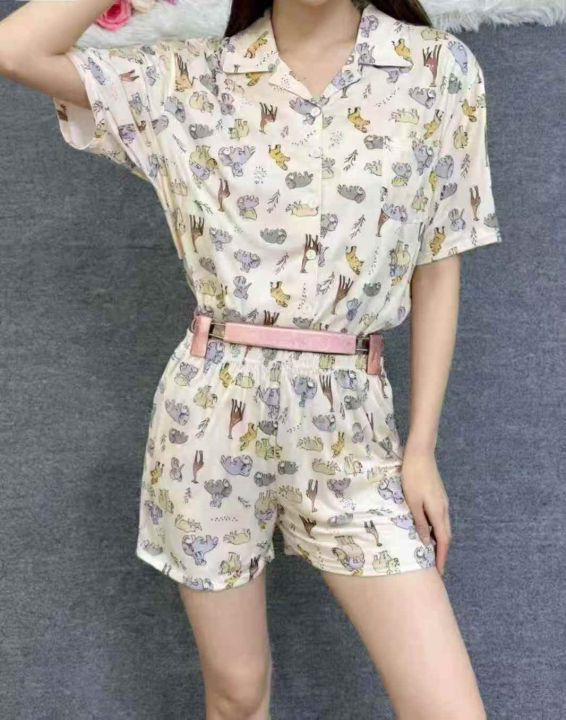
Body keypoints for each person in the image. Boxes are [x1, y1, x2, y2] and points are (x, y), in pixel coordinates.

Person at [0, 0, 502, 717]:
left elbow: (439, 260)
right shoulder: (189, 77)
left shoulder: (437, 69)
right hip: (208, 422)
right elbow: (15, 48)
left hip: (352, 431)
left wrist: (421, 447)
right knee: (237, 694)